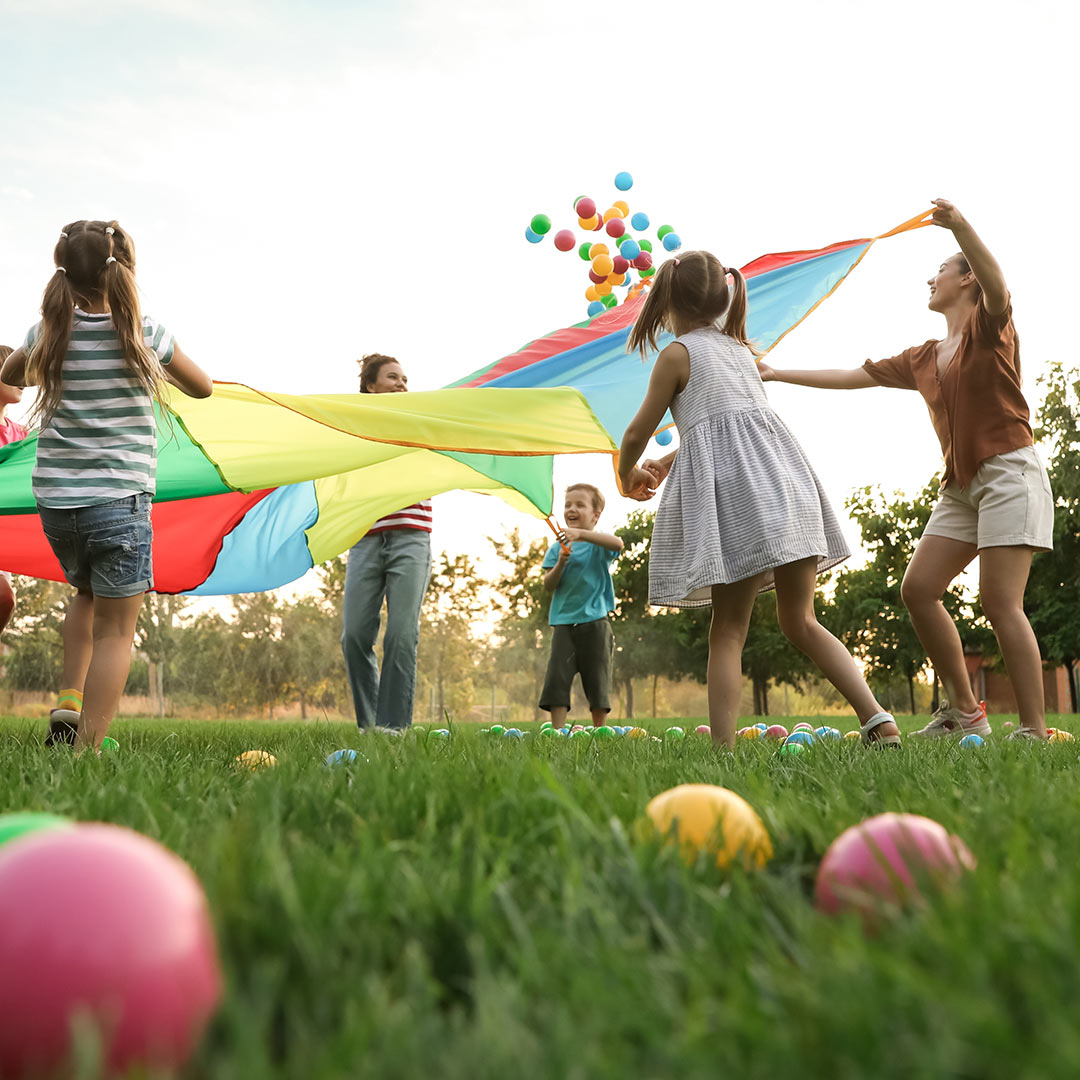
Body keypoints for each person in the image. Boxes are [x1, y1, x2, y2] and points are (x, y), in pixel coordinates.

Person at [758, 200, 1052, 740]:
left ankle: (1033, 730)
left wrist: (961, 228)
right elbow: (855, 374)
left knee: (998, 600)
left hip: (1010, 471)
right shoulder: (923, 357)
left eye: (939, 272)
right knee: (918, 589)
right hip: (960, 486)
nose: (930, 281)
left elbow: (999, 287)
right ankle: (965, 713)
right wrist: (776, 373)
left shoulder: (992, 326)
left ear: (966, 279)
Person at [617, 250, 900, 749]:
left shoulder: (677, 355)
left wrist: (627, 472)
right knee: (803, 621)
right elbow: (730, 428)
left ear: (668, 303)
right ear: (724, 296)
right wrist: (672, 460)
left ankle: (724, 754)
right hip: (787, 489)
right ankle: (878, 719)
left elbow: (641, 429)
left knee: (728, 630)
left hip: (740, 503)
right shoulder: (740, 351)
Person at [0, 220, 212, 750]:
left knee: (86, 593)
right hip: (119, 499)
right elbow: (203, 387)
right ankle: (87, 751)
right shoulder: (145, 332)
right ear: (125, 272)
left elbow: (11, 373)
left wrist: (45, 348)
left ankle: (68, 700)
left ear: (64, 274)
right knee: (118, 631)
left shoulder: (48, 331)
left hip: (57, 505)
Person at [341, 353, 432, 730]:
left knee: (400, 634)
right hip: (365, 540)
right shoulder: (353, 430)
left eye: (405, 379)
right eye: (393, 377)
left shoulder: (421, 422)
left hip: (411, 538)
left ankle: (393, 729)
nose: (401, 384)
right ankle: (370, 724)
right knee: (354, 637)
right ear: (370, 387)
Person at [539, 483, 623, 727]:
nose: (571, 509)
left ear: (596, 515)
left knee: (597, 678)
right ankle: (557, 729)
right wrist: (561, 564)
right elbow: (548, 584)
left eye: (579, 505)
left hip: (595, 623)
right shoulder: (557, 548)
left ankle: (600, 729)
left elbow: (618, 544)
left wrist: (581, 535)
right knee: (557, 677)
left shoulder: (599, 545)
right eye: (567, 505)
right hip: (564, 623)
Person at [0, 344, 29, 638]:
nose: (24, 378)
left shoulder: (22, 436)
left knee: (4, 601)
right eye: (15, 371)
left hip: (5, 540)